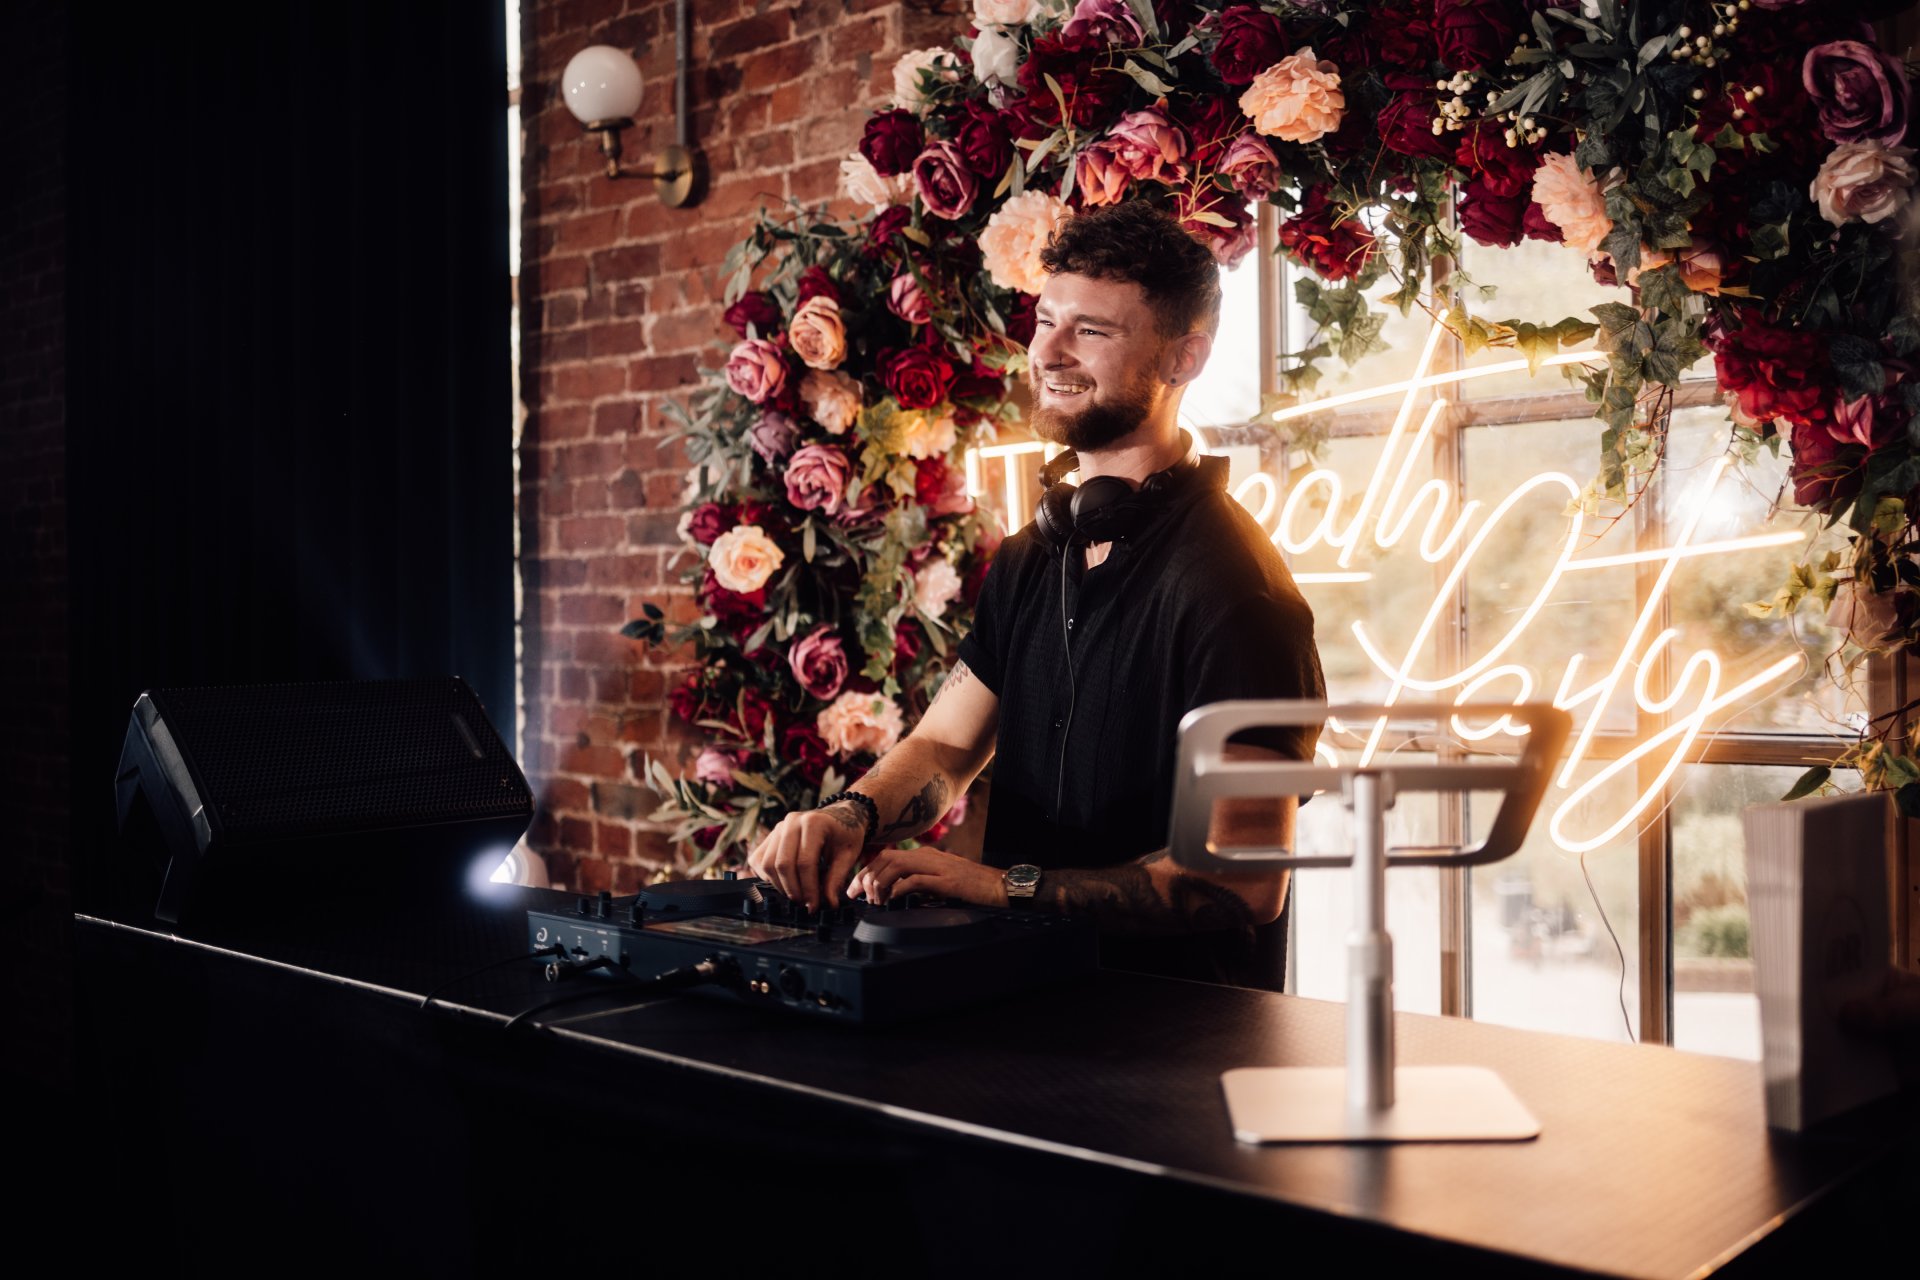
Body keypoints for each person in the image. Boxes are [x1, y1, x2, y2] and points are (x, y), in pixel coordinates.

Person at [747, 202, 1325, 989]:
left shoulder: (1237, 592)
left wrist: (1006, 889)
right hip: (1028, 1007)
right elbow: (947, 746)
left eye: (1091, 330)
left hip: (1177, 1046)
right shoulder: (1031, 557)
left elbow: (1240, 880)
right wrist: (851, 816)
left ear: (1184, 358)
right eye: (1045, 320)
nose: (1047, 351)